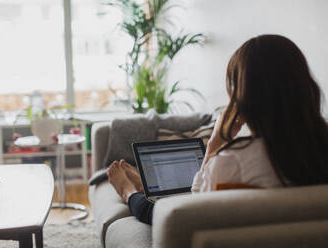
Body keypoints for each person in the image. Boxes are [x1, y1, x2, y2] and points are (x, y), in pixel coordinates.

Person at [107, 34, 328, 225]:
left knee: (149, 206)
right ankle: (140, 189)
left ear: (243, 99)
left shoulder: (231, 161)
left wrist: (215, 145)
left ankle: (129, 192)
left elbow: (189, 213)